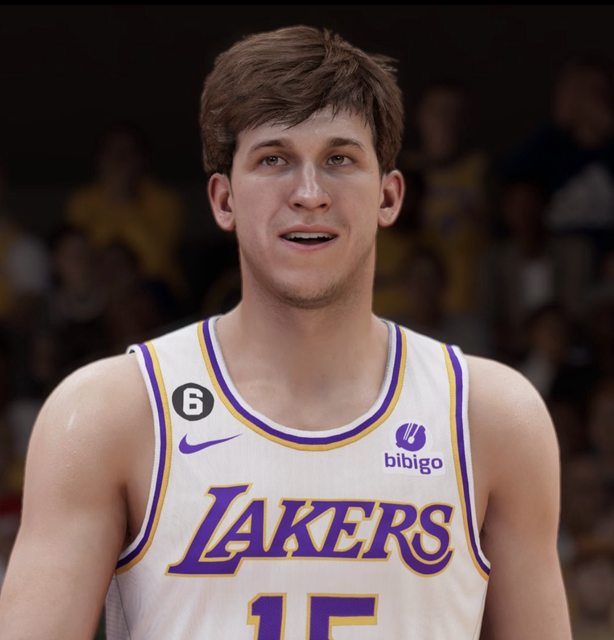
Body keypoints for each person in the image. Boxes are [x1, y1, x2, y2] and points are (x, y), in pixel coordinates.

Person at [0, 25, 571, 639]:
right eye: (274, 159)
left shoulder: (490, 416)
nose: (309, 194)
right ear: (223, 199)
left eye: (340, 159)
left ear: (389, 196)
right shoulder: (111, 411)